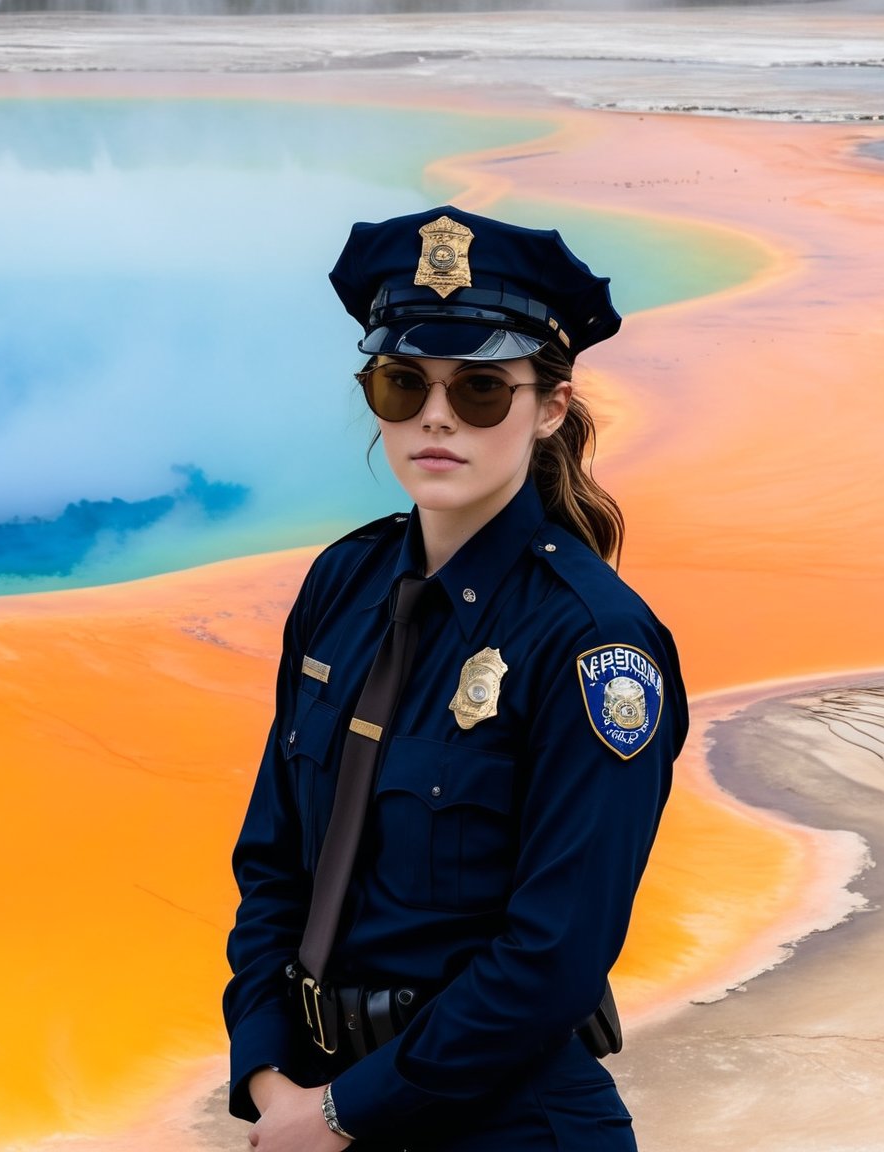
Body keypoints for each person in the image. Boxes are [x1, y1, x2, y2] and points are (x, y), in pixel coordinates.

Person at [223, 204, 687, 1151]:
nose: (436, 415)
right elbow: (273, 864)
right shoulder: (341, 585)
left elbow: (553, 955)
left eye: (481, 390)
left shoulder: (593, 641)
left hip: (501, 1121)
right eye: (402, 383)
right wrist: (269, 1073)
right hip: (311, 1105)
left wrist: (348, 1114)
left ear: (550, 406)